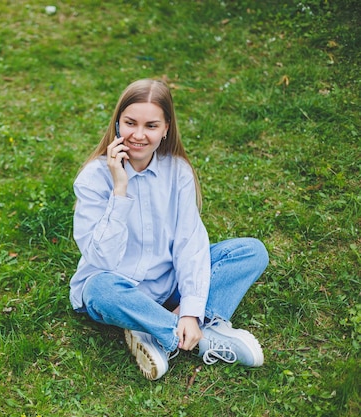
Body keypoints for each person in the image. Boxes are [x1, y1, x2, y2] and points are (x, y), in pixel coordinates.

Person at [69, 79, 269, 380]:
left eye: (151, 125)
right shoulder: (93, 179)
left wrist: (189, 309)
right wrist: (119, 189)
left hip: (168, 282)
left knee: (251, 251)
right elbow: (103, 260)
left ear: (165, 129)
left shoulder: (178, 172)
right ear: (117, 124)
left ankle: (160, 327)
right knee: (98, 289)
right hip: (118, 287)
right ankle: (192, 334)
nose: (138, 135)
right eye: (129, 123)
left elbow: (190, 244)